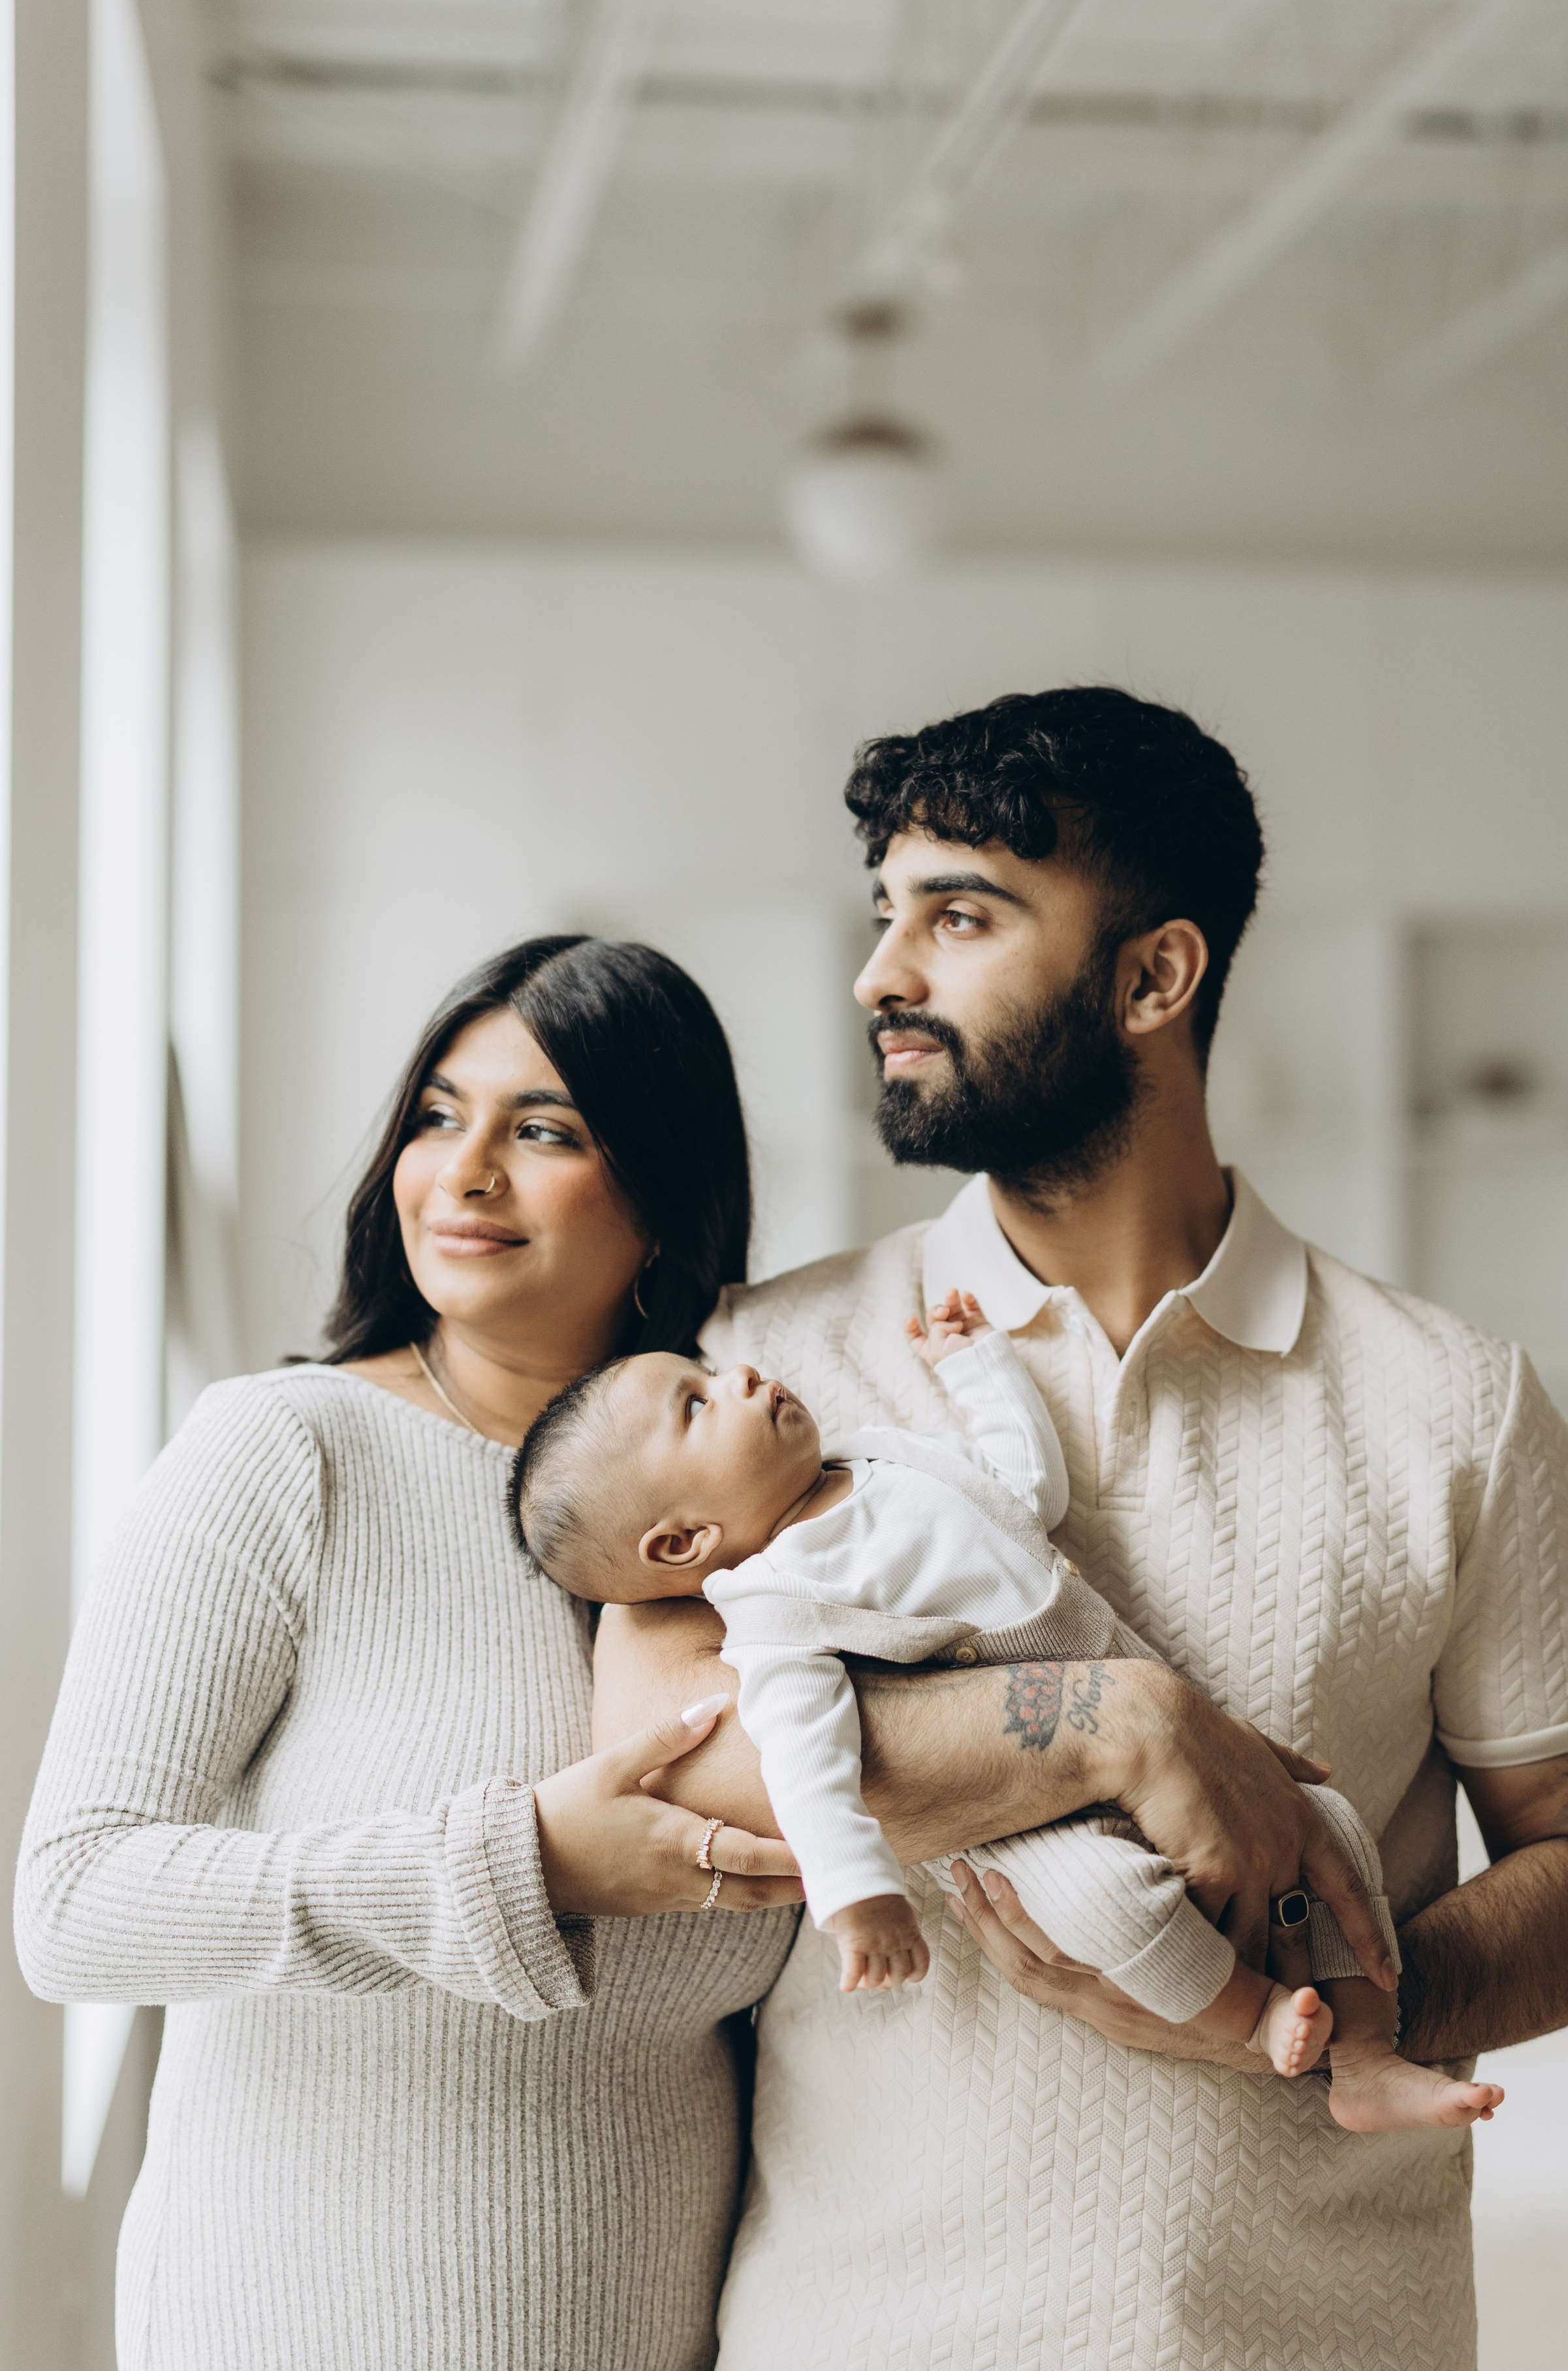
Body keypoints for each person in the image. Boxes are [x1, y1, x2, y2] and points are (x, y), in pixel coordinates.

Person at [14, 930, 1382, 2371]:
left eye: (544, 1130)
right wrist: (530, 1863)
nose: (463, 1171)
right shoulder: (283, 1453)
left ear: (661, 1201)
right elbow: (76, 1906)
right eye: (436, 1115)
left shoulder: (768, 1513)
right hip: (300, 2321)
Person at [597, 690, 1568, 2371]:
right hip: (862, 2338)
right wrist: (1120, 1722)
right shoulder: (752, 1372)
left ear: (1154, 977)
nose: (879, 975)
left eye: (958, 917)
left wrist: (1297, 2016)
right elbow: (667, 1756)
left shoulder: (1457, 1406)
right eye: (885, 914)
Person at [518, 1282, 1492, 2134]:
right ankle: (1252, 2019)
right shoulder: (777, 1603)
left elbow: (1025, 1491)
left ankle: (1368, 2059)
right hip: (1033, 1820)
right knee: (1110, 1907)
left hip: (1142, 1692)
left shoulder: (876, 1459)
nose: (738, 1376)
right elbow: (804, 1757)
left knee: (1328, 1825)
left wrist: (981, 1369)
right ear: (682, 1544)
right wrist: (856, 1893)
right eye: (697, 1403)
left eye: (711, 1371)